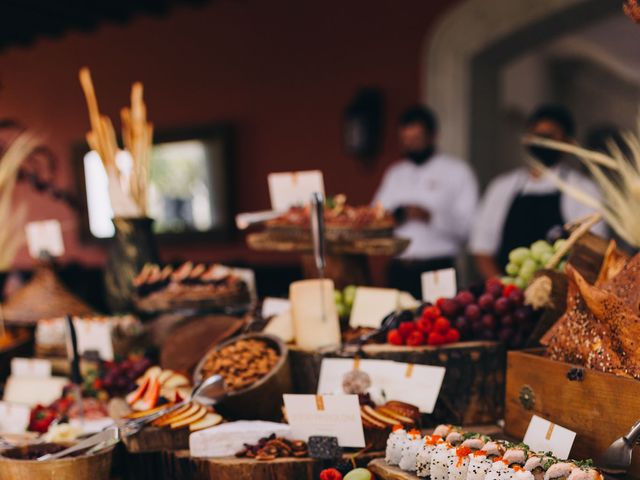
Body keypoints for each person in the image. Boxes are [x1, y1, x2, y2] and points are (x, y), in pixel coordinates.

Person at [470, 104, 607, 279]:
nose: (541, 141)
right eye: (536, 134)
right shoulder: (502, 186)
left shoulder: (583, 189)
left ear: (568, 142)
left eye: (550, 136)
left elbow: (592, 251)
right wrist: (502, 287)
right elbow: (482, 247)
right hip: (509, 296)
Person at [373, 105, 479, 299]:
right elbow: (375, 216)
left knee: (440, 323)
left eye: (417, 139)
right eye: (406, 140)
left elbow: (470, 228)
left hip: (437, 267)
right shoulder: (395, 173)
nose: (411, 145)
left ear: (433, 136)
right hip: (400, 267)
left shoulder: (457, 171)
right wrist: (397, 215)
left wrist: (431, 216)